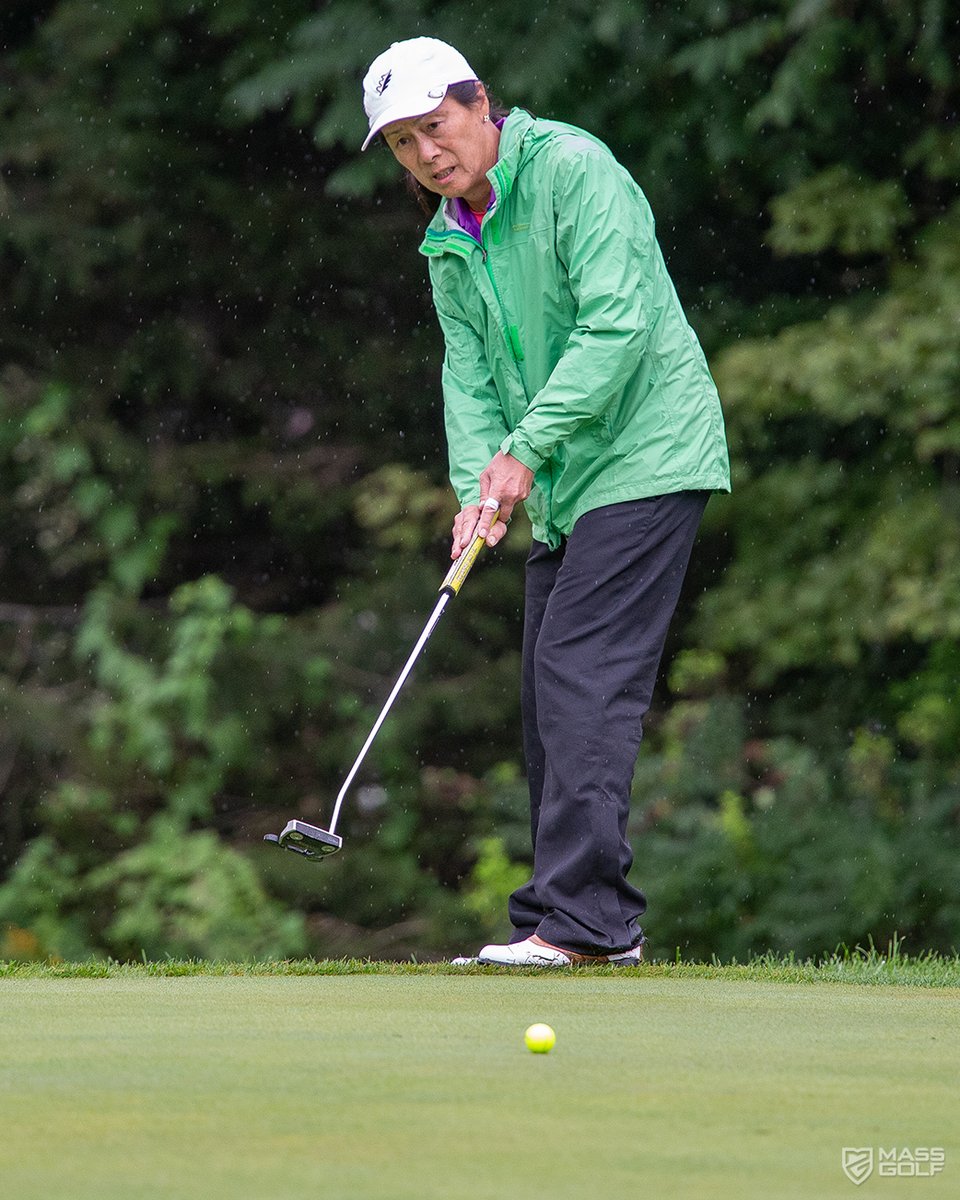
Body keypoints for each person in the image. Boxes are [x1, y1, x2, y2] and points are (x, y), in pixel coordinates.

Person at [361, 37, 730, 966]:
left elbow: (620, 322)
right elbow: (469, 376)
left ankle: (588, 924)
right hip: (568, 479)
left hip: (649, 453)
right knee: (545, 691)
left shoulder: (575, 170)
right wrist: (473, 492)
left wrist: (524, 450)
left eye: (432, 127)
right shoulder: (449, 239)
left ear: (480, 102)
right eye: (402, 144)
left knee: (580, 671)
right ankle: (560, 915)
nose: (425, 155)